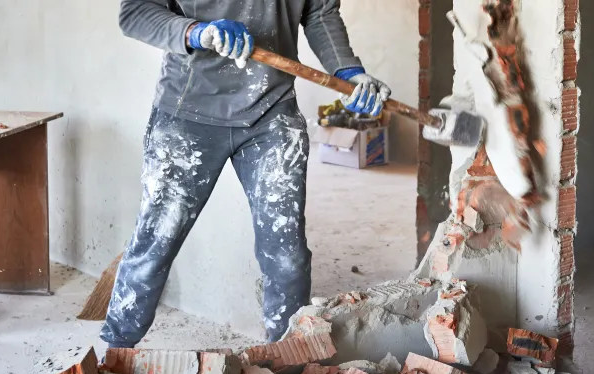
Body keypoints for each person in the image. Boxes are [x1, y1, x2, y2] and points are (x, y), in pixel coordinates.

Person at [100, 0, 391, 348]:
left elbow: (319, 12)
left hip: (272, 114)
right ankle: (116, 352)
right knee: (155, 243)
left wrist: (347, 70)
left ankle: (289, 355)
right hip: (188, 113)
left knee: (286, 253)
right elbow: (136, 12)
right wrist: (196, 32)